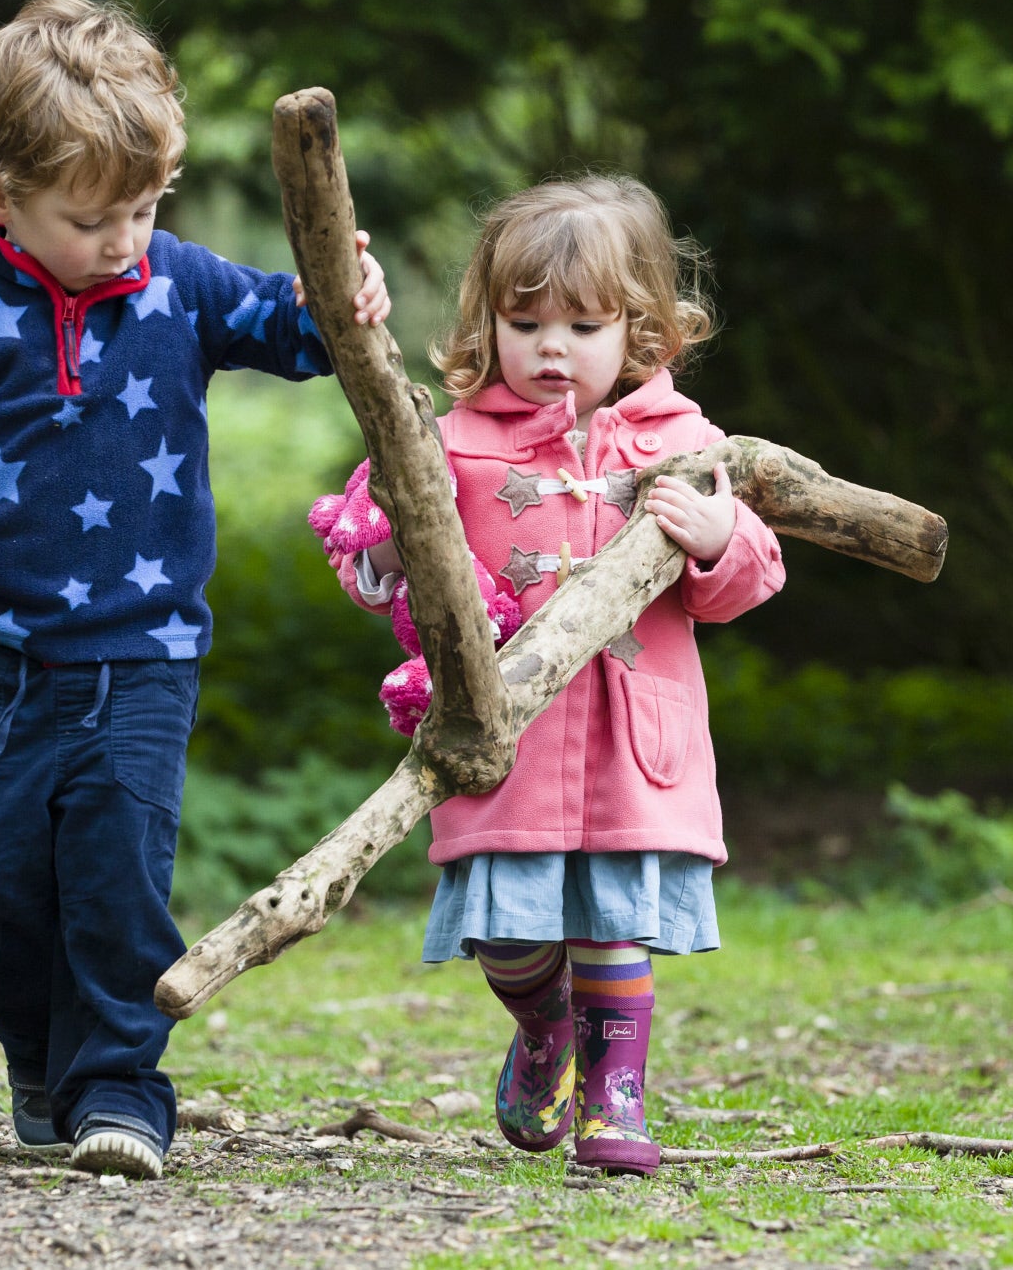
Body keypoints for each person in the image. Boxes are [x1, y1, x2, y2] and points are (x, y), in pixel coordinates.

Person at [0, 0, 388, 1179]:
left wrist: (341, 288)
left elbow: (297, 330)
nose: (125, 239)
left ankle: (121, 1089)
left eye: (146, 207)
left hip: (143, 655)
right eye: (91, 217)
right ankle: (40, 1041)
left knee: (115, 876)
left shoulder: (176, 283)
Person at [326, 175, 784, 1176]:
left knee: (616, 922)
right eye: (523, 319)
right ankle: (543, 1029)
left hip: (634, 743)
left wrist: (718, 535)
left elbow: (741, 582)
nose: (550, 346)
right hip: (508, 747)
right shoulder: (450, 441)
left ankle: (616, 1099)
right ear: (485, 319)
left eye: (583, 323)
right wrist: (397, 545)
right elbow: (366, 564)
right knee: (512, 938)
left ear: (643, 330)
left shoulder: (685, 444)